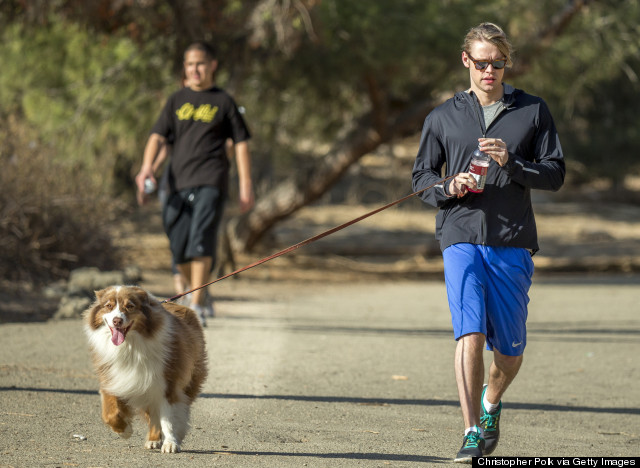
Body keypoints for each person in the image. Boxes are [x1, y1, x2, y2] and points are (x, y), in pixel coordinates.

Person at [411, 23, 565, 462]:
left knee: (510, 351)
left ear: (506, 64)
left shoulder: (533, 111)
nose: (490, 72)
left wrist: (513, 163)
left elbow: (555, 173)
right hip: (459, 233)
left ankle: (490, 402)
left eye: (498, 63)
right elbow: (421, 179)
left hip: (512, 240)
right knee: (469, 332)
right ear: (467, 62)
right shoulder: (441, 117)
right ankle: (471, 430)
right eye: (482, 63)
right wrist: (448, 186)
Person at [135, 41, 254, 326]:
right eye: (189, 64)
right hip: (176, 184)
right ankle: (197, 291)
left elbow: (241, 144)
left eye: (200, 63)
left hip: (211, 179)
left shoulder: (224, 102)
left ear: (212, 65)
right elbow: (157, 137)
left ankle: (196, 306)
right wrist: (146, 169)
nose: (194, 69)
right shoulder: (176, 100)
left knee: (200, 241)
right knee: (179, 248)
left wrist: (246, 184)